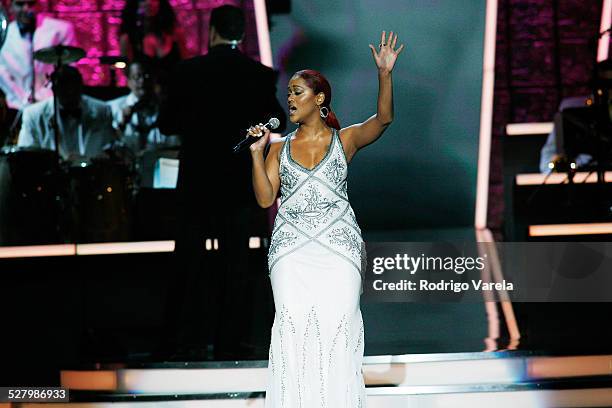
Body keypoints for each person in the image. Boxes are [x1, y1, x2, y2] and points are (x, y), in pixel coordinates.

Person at [248, 31, 403, 407]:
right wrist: (256, 153)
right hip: (292, 252)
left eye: (298, 92)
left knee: (338, 326)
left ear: (319, 99)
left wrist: (385, 74)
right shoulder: (278, 146)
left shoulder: (344, 139)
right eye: (289, 93)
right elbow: (266, 197)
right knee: (291, 327)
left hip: (338, 251)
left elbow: (383, 119)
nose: (290, 99)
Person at [157, 4, 286, 359]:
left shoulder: (187, 71)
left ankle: (181, 341)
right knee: (236, 267)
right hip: (238, 186)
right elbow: (278, 120)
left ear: (210, 31)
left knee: (189, 264)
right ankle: (232, 343)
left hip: (197, 184)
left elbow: (165, 124)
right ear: (242, 35)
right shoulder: (258, 74)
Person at [18, 65, 115, 162]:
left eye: (73, 85)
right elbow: (27, 154)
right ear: (54, 88)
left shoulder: (102, 110)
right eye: (64, 86)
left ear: (81, 85)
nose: (70, 91)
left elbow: (108, 149)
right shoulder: (33, 114)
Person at [107, 60, 179, 185]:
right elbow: (107, 147)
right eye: (137, 77)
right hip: (123, 179)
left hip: (159, 177)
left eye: (146, 76)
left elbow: (174, 145)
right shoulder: (113, 108)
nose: (142, 81)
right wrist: (122, 124)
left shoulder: (164, 109)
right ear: (128, 81)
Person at [0, 0, 76, 109]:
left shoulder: (60, 30)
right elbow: (2, 74)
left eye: (30, 4)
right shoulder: (4, 34)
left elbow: (68, 70)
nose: (26, 9)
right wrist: (23, 100)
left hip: (50, 104)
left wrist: (44, 96)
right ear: (10, 7)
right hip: (16, 106)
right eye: (20, 4)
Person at [119, 0, 187, 80]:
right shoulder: (128, 38)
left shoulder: (175, 34)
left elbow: (185, 65)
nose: (149, 3)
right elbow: (128, 73)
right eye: (143, 0)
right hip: (145, 90)